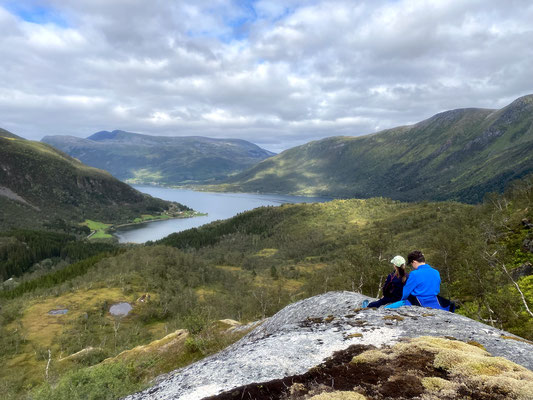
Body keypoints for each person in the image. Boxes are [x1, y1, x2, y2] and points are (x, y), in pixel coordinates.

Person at [384, 250, 455, 312]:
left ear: (414, 262)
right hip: (435, 301)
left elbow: (406, 292)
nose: (412, 266)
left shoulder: (414, 274)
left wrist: (402, 301)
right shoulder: (436, 272)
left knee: (386, 309)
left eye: (411, 264)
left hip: (418, 301)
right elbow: (436, 289)